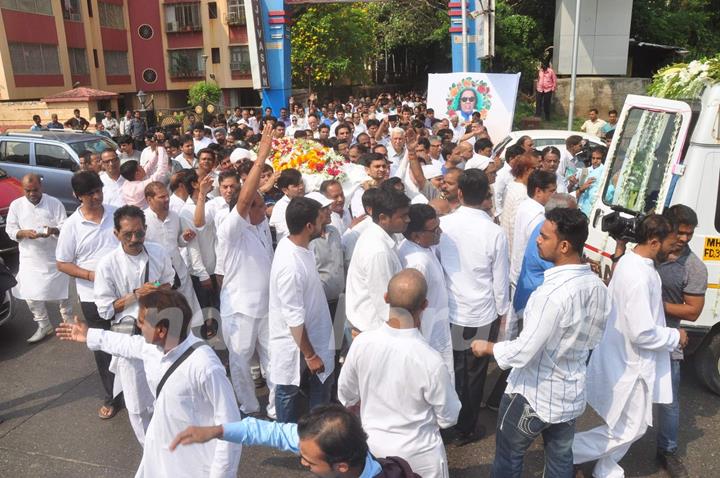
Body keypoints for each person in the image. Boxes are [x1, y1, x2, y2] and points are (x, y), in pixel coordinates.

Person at [471, 207, 612, 478]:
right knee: (560, 462)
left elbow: (523, 351)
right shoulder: (599, 288)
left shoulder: (549, 295)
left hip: (533, 396)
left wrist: (487, 347)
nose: (537, 239)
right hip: (569, 394)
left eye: (544, 236)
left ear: (564, 245)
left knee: (508, 462)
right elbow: (595, 339)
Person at [56, 289, 242, 477]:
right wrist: (89, 335)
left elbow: (230, 426)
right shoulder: (154, 348)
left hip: (196, 465)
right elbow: (127, 343)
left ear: (161, 331)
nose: (138, 325)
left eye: (142, 321)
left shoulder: (205, 365)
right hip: (161, 453)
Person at [573, 214, 689, 478]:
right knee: (631, 428)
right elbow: (641, 332)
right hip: (631, 363)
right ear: (654, 241)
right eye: (674, 241)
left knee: (624, 423)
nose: (679, 244)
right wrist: (675, 336)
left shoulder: (633, 262)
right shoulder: (640, 275)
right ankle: (567, 451)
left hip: (624, 358)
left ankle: (605, 468)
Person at [339, 269, 460, 477]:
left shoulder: (361, 344)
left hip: (373, 451)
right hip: (420, 457)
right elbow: (449, 416)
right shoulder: (430, 360)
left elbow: (346, 395)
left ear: (386, 298)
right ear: (424, 306)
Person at [437, 169, 509, 445]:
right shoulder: (494, 232)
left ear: (460, 193)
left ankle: (449, 423)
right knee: (475, 374)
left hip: (452, 310)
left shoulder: (445, 225)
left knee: (452, 368)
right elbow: (499, 281)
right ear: (486, 196)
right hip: (481, 313)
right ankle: (465, 428)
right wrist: (503, 314)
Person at [93, 205, 175, 444]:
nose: (134, 239)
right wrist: (136, 294)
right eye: (128, 234)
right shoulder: (107, 264)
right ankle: (148, 449)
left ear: (145, 229)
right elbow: (105, 309)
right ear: (116, 234)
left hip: (160, 330)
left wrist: (156, 289)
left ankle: (167, 445)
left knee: (164, 392)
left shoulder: (158, 252)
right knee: (137, 404)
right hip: (128, 336)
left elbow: (170, 283)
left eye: (139, 233)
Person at [171, 403, 421, 477]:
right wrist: (216, 431)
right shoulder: (335, 444)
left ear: (341, 466)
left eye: (310, 462)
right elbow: (272, 432)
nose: (302, 463)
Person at [216, 123, 276, 419]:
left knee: (273, 359)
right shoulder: (231, 228)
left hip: (267, 306)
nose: (261, 205)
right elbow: (244, 196)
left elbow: (257, 192)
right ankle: (249, 409)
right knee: (240, 362)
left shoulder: (262, 222)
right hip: (240, 308)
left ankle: (279, 409)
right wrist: (261, 155)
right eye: (254, 202)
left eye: (262, 202)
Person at [56, 171, 121, 420]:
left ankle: (141, 391)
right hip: (93, 298)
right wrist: (92, 276)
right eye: (90, 194)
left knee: (132, 341)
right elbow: (62, 263)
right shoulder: (72, 226)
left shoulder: (116, 213)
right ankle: (112, 396)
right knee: (103, 347)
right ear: (77, 196)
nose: (97, 196)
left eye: (99, 190)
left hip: (124, 293)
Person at [269, 197, 335, 423]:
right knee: (288, 390)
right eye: (319, 218)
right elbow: (294, 317)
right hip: (297, 342)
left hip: (313, 333)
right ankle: (292, 440)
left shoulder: (298, 248)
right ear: (309, 226)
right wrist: (311, 354)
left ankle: (315, 439)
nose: (324, 220)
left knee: (315, 388)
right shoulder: (291, 264)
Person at [655, 205, 707, 477]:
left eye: (690, 233)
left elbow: (693, 311)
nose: (685, 238)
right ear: (667, 227)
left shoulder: (694, 267)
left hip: (670, 340)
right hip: (637, 336)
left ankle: (668, 451)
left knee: (670, 401)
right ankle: (605, 445)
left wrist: (653, 304)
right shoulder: (652, 251)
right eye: (681, 232)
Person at [6, 174, 70, 342]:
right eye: (28, 191)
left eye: (35, 190)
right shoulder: (16, 205)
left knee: (62, 293)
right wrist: (23, 233)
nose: (32, 194)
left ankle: (70, 324)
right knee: (30, 293)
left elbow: (65, 225)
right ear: (23, 189)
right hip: (30, 257)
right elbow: (10, 229)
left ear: (41, 187)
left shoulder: (54, 203)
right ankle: (44, 325)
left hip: (54, 256)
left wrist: (54, 230)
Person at [397, 205, 453, 379]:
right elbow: (411, 307)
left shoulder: (422, 247)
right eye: (434, 230)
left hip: (437, 328)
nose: (441, 231)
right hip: (428, 335)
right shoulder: (417, 263)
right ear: (416, 235)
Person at [345, 188, 409, 333]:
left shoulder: (381, 236)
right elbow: (385, 304)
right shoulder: (378, 251)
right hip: (374, 330)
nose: (408, 219)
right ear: (383, 218)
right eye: (403, 216)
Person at [143, 182, 202, 323]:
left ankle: (196, 337)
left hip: (180, 270)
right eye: (161, 197)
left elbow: (177, 242)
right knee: (167, 313)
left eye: (167, 196)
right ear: (149, 199)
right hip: (158, 278)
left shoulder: (175, 216)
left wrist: (184, 238)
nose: (167, 199)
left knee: (190, 308)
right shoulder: (142, 220)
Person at [307, 192, 345, 322]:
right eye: (324, 209)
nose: (329, 211)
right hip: (320, 305)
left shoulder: (334, 232)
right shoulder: (308, 240)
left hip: (340, 301)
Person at [269, 168, 306, 242]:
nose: (301, 187)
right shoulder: (280, 208)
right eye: (296, 186)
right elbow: (286, 234)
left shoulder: (307, 200)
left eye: (301, 183)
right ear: (285, 190)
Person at [575, 146, 605, 216]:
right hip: (580, 206)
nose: (595, 160)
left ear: (602, 159)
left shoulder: (604, 172)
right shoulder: (585, 170)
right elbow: (579, 186)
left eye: (598, 158)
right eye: (593, 158)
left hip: (591, 209)